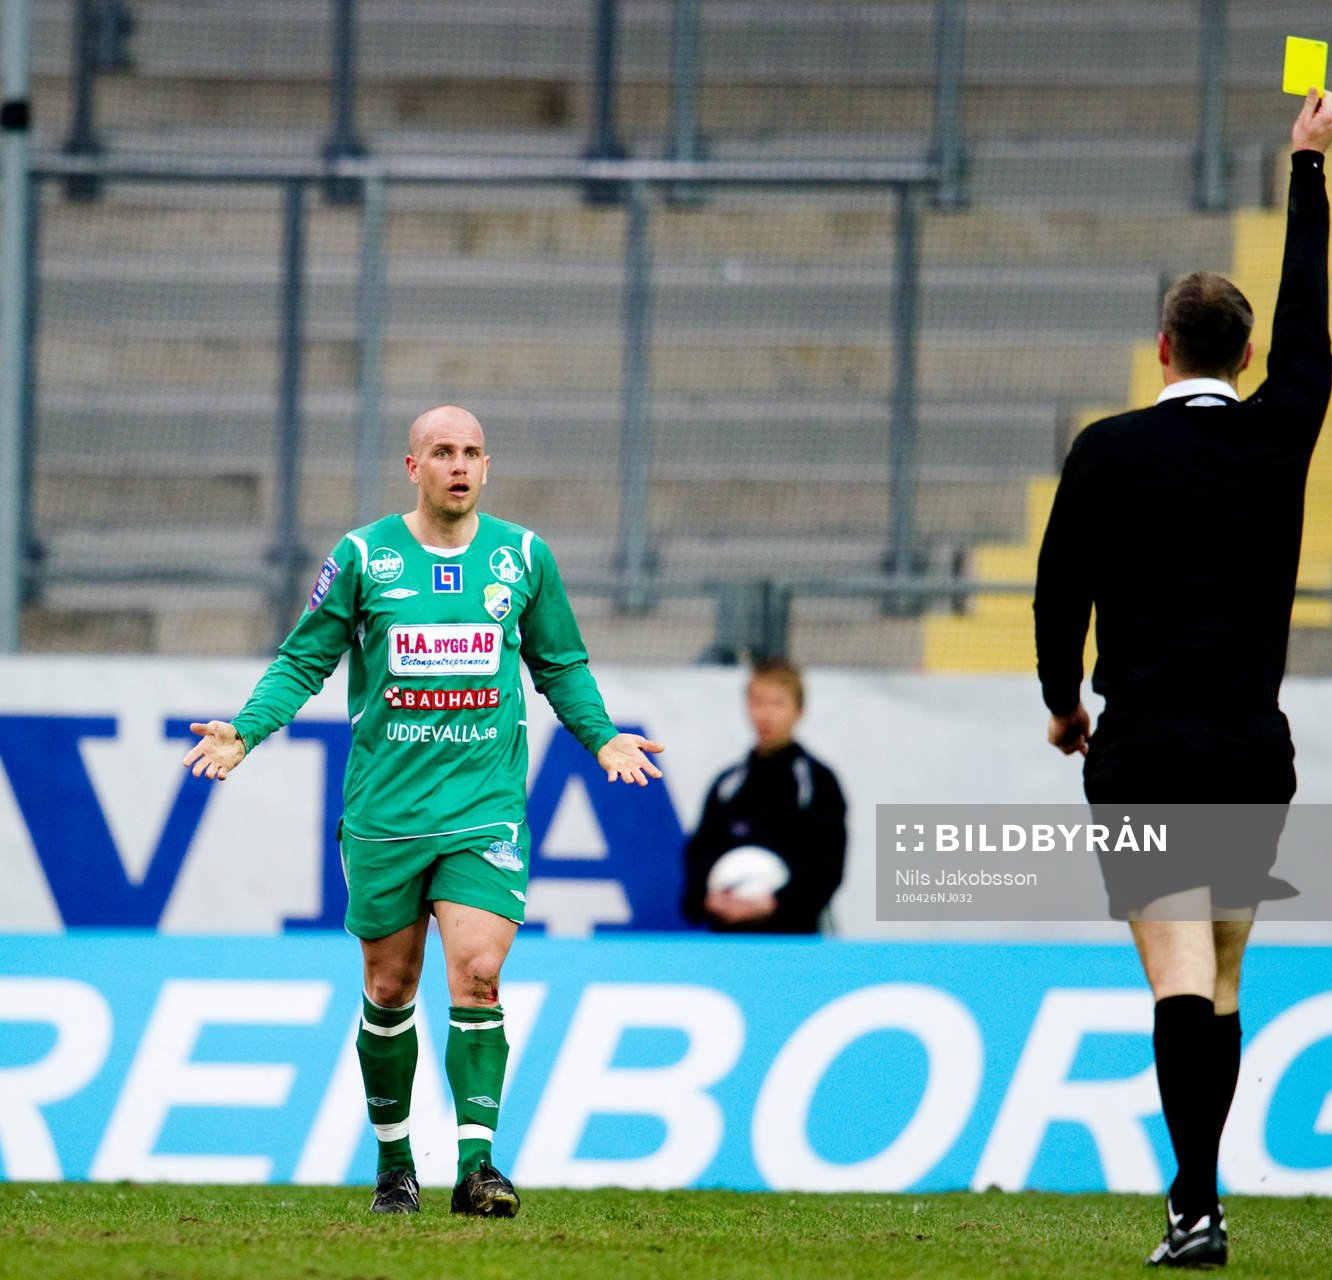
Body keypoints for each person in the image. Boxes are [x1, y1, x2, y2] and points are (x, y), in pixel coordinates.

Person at [183, 404, 664, 1218]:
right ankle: (394, 1163)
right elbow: (306, 660)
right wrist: (247, 730)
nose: (459, 465)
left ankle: (478, 1168)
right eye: (442, 451)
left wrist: (604, 738)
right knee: (390, 985)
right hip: (386, 812)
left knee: (477, 974)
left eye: (473, 452)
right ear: (413, 466)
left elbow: (561, 664)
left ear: (487, 466)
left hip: (483, 809)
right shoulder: (365, 556)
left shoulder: (523, 557)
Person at [1032, 90, 1332, 1269]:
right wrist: (1303, 172)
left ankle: (1193, 1206)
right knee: (1219, 967)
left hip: (1145, 743)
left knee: (1169, 969)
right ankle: (1198, 1201)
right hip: (1249, 747)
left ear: (1159, 350)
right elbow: (1312, 330)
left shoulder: (1106, 448)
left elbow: (1057, 594)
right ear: (1247, 354)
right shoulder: (1278, 432)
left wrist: (1064, 701)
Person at [680, 659, 846, 933]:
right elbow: (700, 853)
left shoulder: (817, 784)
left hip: (795, 941)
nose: (765, 714)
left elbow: (827, 867)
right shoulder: (729, 784)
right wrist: (707, 900)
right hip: (729, 940)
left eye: (778, 703)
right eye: (757, 702)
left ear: (798, 711)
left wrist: (774, 904)